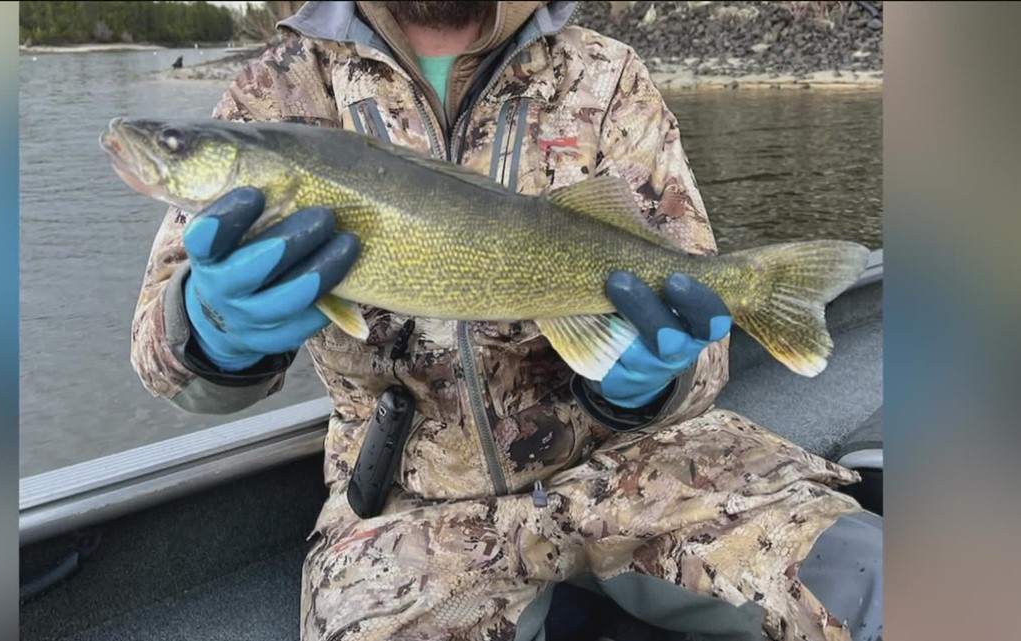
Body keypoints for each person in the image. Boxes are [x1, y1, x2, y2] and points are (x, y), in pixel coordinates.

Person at [130, 2, 883, 640]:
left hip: (644, 463)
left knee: (883, 583)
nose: (170, 150)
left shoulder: (608, 74)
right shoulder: (278, 91)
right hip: (408, 508)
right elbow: (159, 357)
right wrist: (209, 329)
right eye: (180, 146)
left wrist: (651, 382)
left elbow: (702, 346)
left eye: (177, 147)